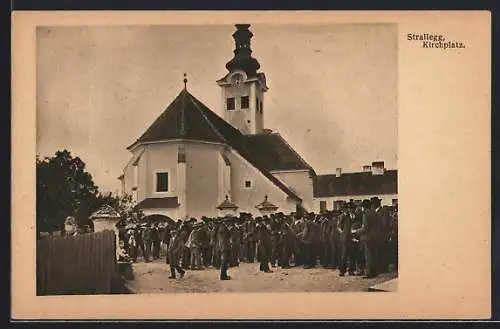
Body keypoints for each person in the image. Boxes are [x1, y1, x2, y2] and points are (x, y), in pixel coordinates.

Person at [352, 199, 379, 278]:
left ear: (364, 207)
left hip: (367, 238)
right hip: (374, 237)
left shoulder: (366, 214)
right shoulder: (374, 213)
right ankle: (374, 272)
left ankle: (369, 273)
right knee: (373, 255)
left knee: (368, 256)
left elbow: (365, 228)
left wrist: (356, 231)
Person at [337, 202, 356, 276]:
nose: (351, 210)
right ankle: (342, 271)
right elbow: (338, 227)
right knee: (344, 255)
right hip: (345, 238)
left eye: (352, 208)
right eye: (349, 208)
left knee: (352, 255)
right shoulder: (342, 216)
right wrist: (343, 233)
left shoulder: (354, 216)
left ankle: (351, 270)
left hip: (352, 237)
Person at [217, 216, 232, 280]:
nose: (230, 223)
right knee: (224, 262)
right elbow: (223, 239)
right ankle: (223, 276)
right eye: (229, 222)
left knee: (225, 262)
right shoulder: (223, 228)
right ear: (226, 222)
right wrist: (226, 247)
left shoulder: (223, 227)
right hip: (224, 247)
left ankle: (224, 275)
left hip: (224, 246)